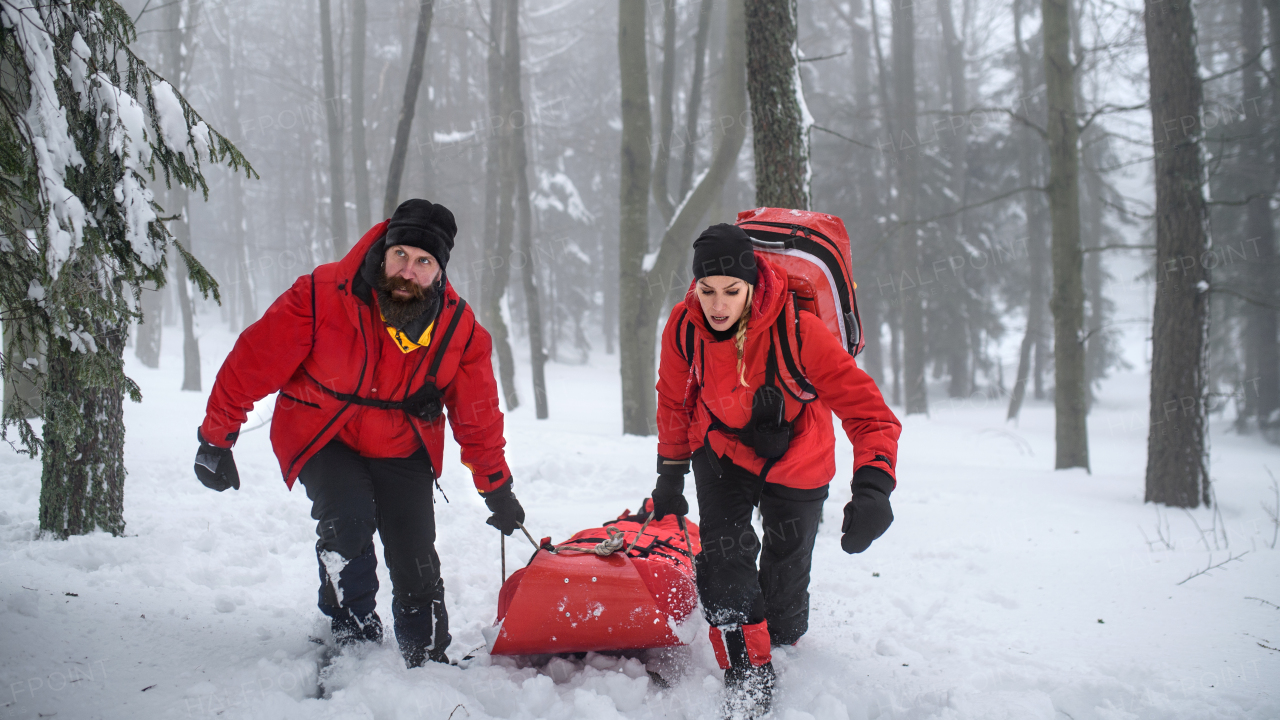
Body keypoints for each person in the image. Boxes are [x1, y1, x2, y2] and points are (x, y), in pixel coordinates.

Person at [193, 199, 526, 668]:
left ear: (440, 271)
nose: (408, 271)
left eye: (423, 262)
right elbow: (252, 362)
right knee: (347, 523)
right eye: (401, 256)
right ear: (385, 249)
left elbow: (478, 415)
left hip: (402, 442)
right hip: (324, 434)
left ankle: (425, 655)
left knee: (414, 550)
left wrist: (496, 487)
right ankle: (352, 636)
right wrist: (216, 437)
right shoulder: (321, 295)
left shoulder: (460, 330)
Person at [652, 223, 901, 716]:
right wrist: (670, 473)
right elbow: (673, 400)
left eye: (731, 290)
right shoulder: (684, 327)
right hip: (721, 450)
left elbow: (867, 412)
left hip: (799, 456)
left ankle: (779, 638)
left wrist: (874, 486)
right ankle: (748, 675)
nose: (717, 304)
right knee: (724, 561)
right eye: (707, 290)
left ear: (752, 286)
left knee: (784, 611)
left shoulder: (799, 331)